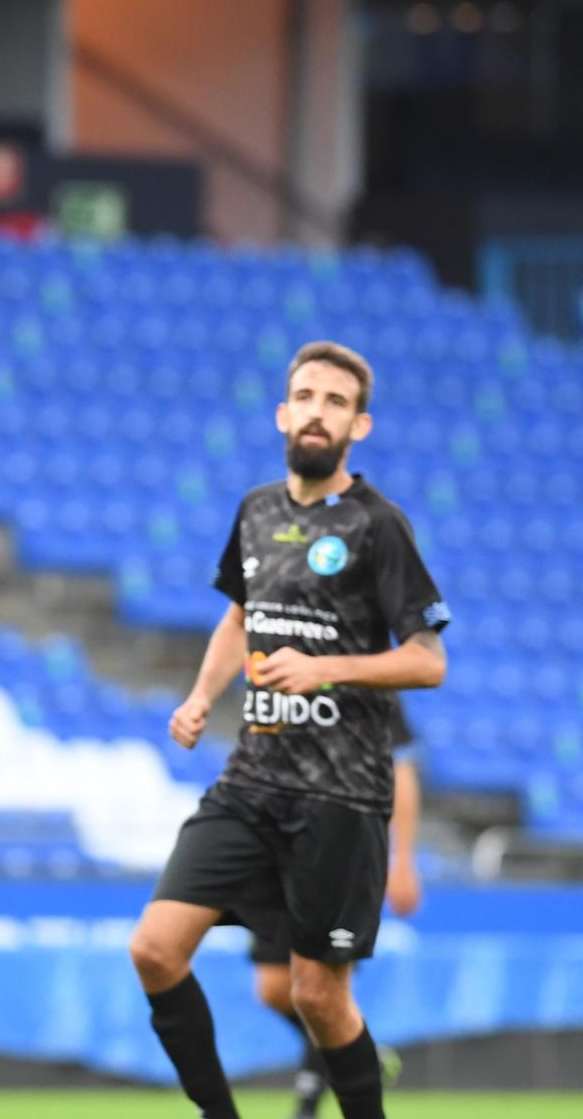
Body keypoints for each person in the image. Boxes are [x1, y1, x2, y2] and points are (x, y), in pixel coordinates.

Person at [128, 341, 450, 1119]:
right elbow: (239, 618)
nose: (317, 411)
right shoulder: (256, 509)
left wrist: (324, 668)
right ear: (283, 412)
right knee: (154, 949)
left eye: (336, 402)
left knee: (318, 996)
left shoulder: (379, 525)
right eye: (305, 396)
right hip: (251, 781)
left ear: (358, 425)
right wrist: (203, 694)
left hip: (339, 797)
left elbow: (428, 660)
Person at [253, 705, 420, 1118]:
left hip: (343, 849)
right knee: (275, 990)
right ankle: (358, 1054)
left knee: (319, 989)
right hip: (279, 852)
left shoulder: (364, 674)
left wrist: (402, 862)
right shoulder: (272, 658)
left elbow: (401, 770)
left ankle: (306, 1107)